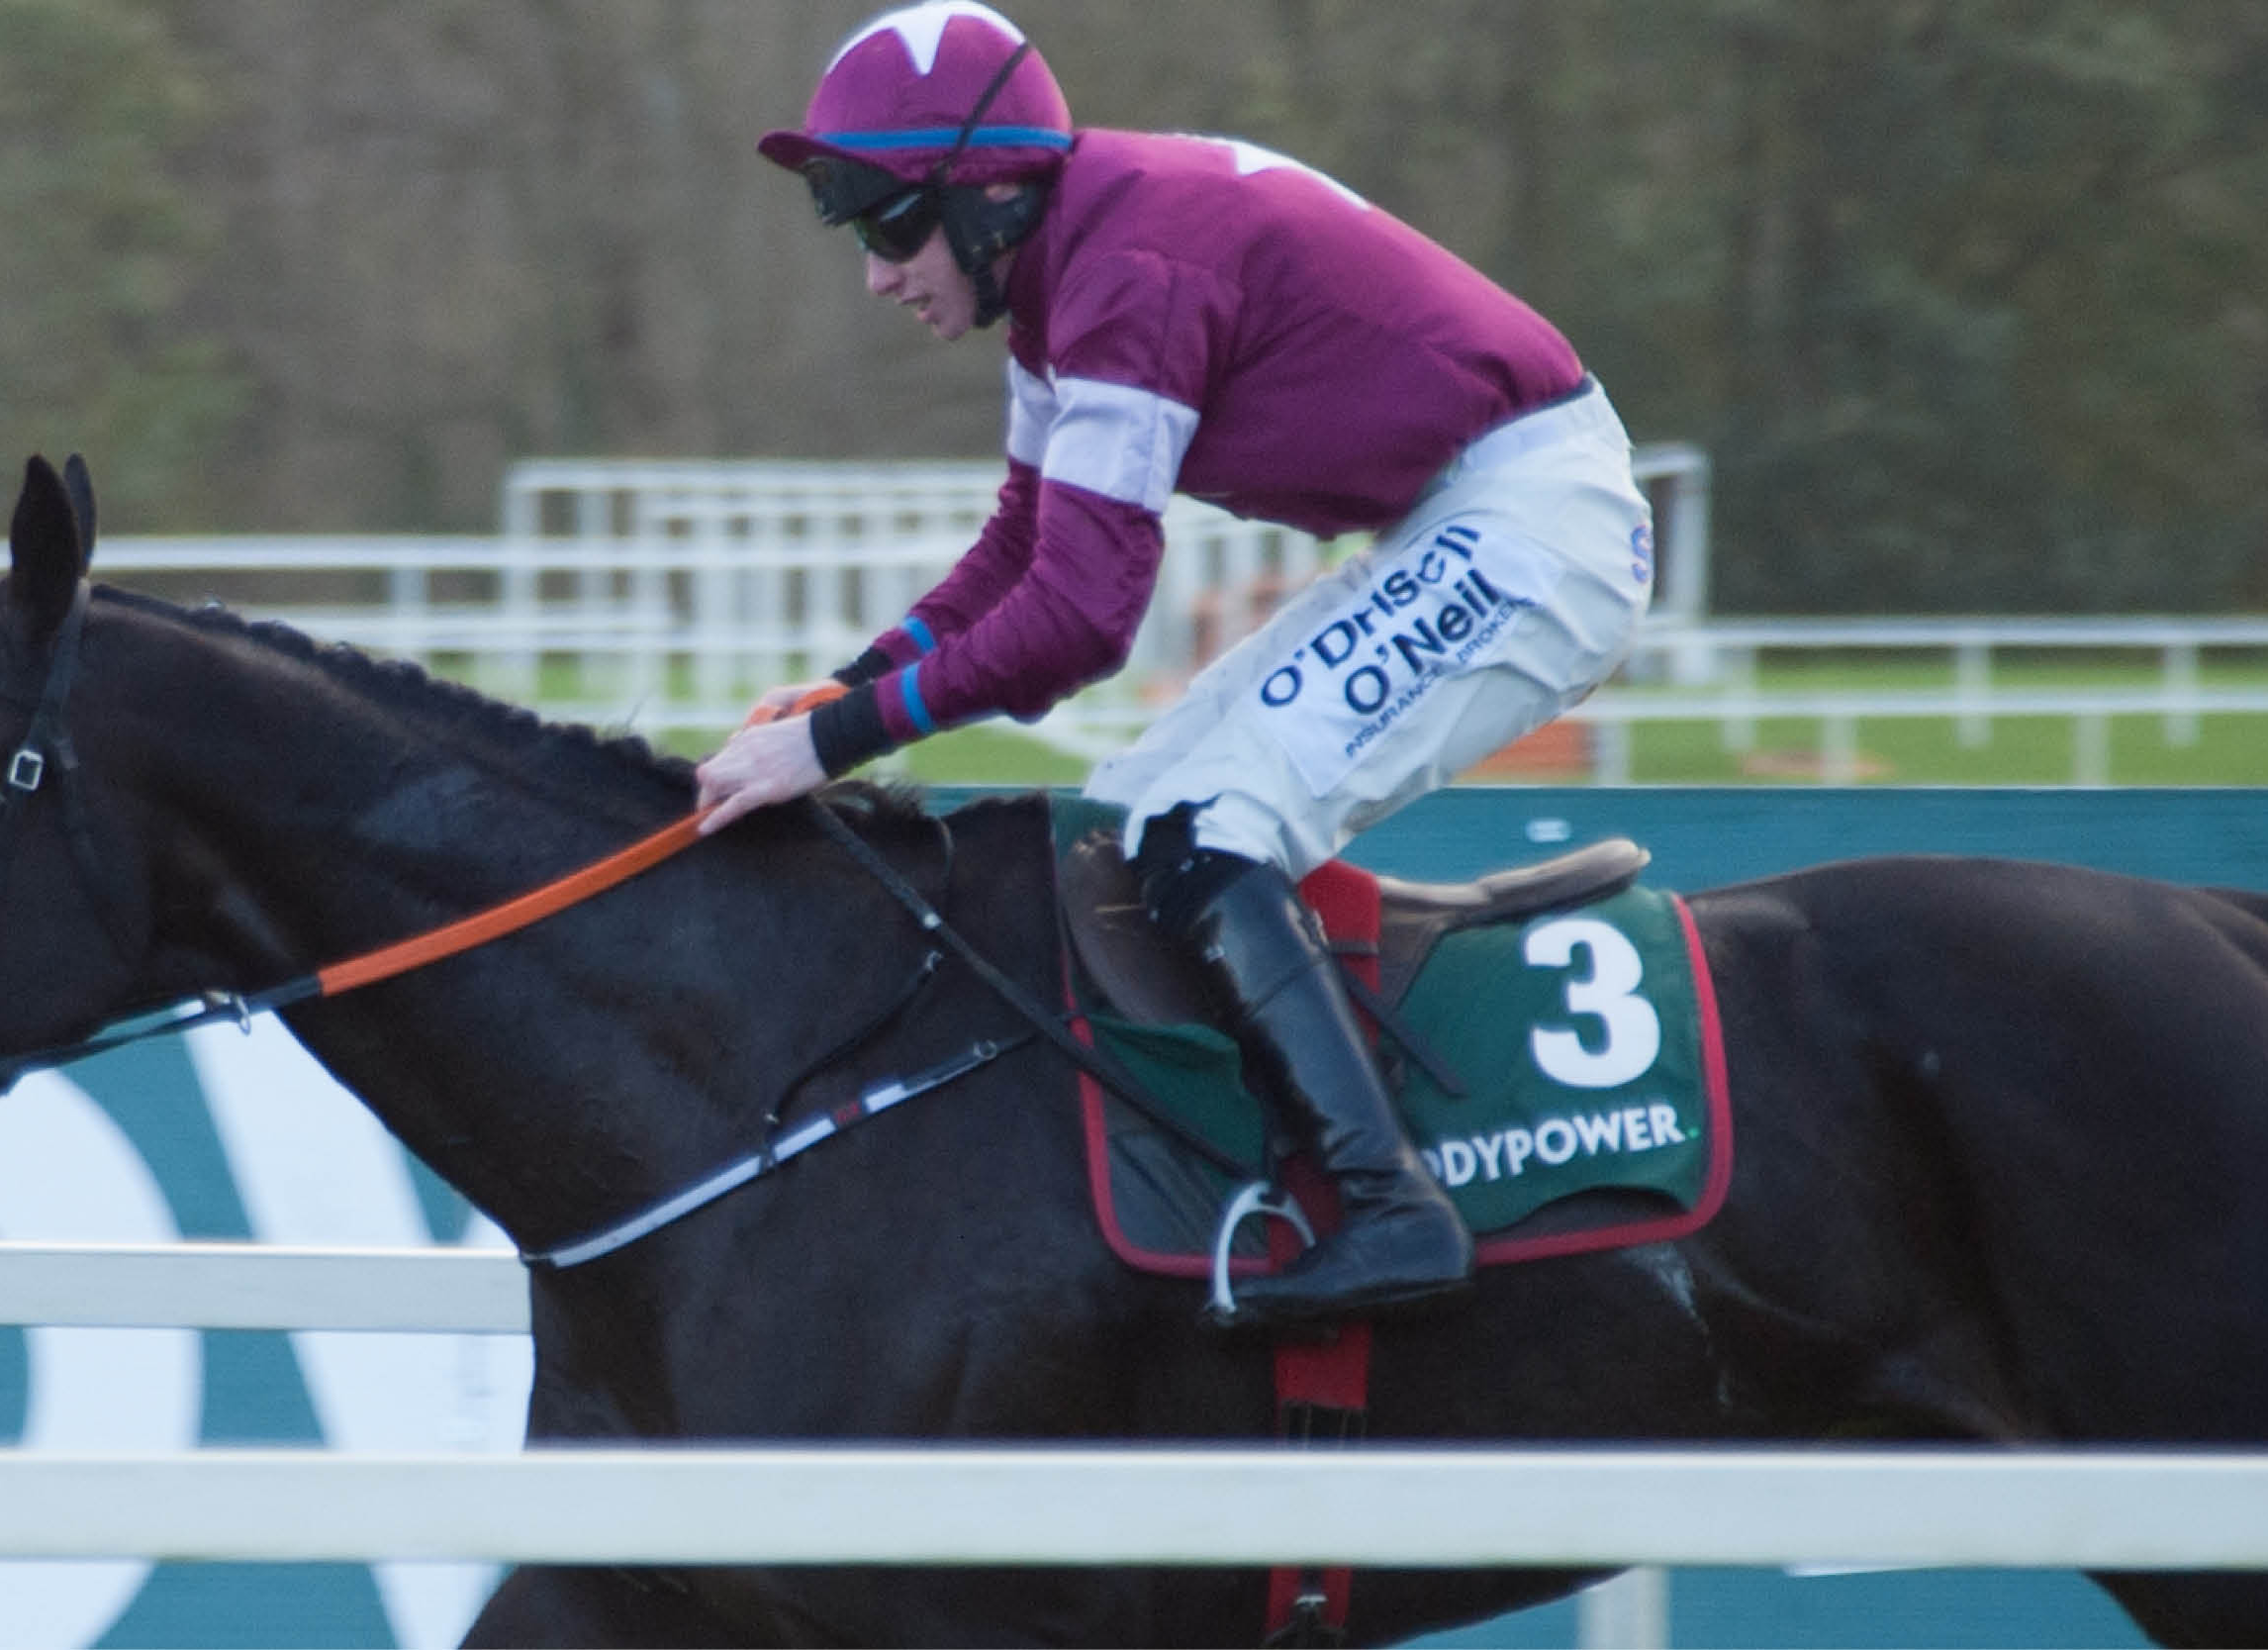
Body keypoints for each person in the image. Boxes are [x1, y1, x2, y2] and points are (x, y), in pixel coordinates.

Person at [685, 1, 1657, 1328]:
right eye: (852, 226)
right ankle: (1268, 1172)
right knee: (1133, 824)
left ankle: (1393, 1207)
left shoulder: (1126, 271)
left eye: (884, 219)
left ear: (982, 194)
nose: (873, 269)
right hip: (1463, 510)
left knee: (1207, 828)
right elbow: (1019, 550)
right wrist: (853, 687)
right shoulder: (1062, 268)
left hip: (1538, 522)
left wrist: (836, 746)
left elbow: (1083, 618)